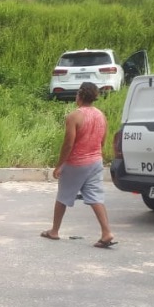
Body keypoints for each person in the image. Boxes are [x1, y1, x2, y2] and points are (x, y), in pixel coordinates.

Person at [41, 82, 116, 248]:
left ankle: (54, 231)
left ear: (79, 96)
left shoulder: (74, 116)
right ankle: (106, 232)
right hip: (96, 161)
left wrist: (59, 165)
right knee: (96, 197)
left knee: (63, 196)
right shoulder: (101, 116)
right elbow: (102, 141)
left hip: (77, 162)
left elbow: (68, 144)